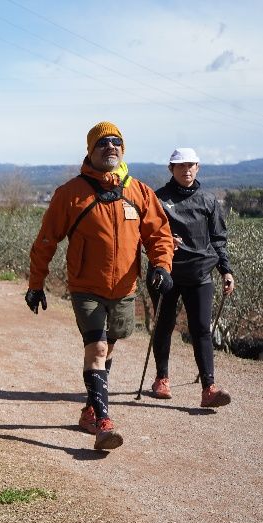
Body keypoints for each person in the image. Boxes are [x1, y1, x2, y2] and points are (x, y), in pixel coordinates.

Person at [25, 121, 175, 451]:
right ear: (90, 151)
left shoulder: (139, 192)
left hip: (124, 288)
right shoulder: (70, 194)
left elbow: (159, 235)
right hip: (86, 287)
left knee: (112, 343)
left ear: (123, 149)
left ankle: (90, 409)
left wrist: (162, 266)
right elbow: (46, 240)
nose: (111, 147)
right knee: (98, 349)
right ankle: (104, 425)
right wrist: (36, 284)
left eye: (116, 142)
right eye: (102, 143)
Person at [147, 148, 233, 407]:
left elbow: (218, 240)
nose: (186, 170)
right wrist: (163, 242)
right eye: (180, 166)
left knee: (201, 330)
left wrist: (226, 270)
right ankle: (162, 378)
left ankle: (209, 388)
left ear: (198, 167)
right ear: (170, 169)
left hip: (200, 273)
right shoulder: (158, 199)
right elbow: (144, 236)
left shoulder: (209, 200)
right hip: (166, 273)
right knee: (164, 326)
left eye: (191, 165)